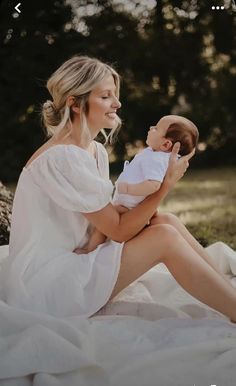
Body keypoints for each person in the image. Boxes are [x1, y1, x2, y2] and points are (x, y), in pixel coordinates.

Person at [1, 55, 236, 323]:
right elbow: (119, 230)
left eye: (115, 94)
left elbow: (113, 217)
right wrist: (164, 187)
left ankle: (229, 294)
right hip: (48, 284)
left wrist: (156, 195)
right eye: (105, 96)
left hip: (79, 255)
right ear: (75, 103)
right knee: (164, 238)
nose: (118, 103)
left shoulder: (94, 150)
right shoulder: (63, 157)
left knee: (164, 220)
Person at [76, 115, 199, 254]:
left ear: (166, 145)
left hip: (129, 205)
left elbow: (153, 185)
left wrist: (129, 188)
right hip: (135, 203)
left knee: (104, 225)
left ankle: (90, 250)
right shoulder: (155, 154)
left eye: (156, 128)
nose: (151, 128)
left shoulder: (156, 160)